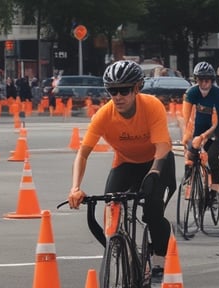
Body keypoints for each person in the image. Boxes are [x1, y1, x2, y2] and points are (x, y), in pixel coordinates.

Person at [68, 60, 176, 276]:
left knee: (152, 212)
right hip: (126, 163)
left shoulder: (152, 105)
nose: (117, 96)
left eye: (123, 90)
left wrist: (154, 171)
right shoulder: (104, 115)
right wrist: (75, 188)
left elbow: (163, 145)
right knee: (110, 204)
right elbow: (83, 153)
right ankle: (119, 246)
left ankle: (159, 256)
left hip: (157, 162)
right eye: (112, 91)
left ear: (137, 88)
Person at [181, 61, 219, 210]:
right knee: (191, 152)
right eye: (200, 80)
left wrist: (203, 137)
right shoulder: (191, 93)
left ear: (212, 80)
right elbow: (187, 117)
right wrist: (188, 136)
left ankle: (214, 193)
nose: (204, 83)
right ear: (196, 80)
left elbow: (216, 124)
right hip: (200, 126)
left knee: (211, 156)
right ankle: (190, 178)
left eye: (207, 80)